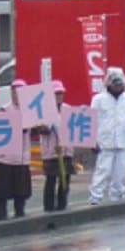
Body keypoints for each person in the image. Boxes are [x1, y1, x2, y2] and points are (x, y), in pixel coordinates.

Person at [90, 67, 125, 206]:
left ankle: (118, 197)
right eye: (115, 84)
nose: (118, 87)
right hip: (105, 141)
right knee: (102, 171)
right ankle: (95, 198)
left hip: (124, 140)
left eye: (120, 84)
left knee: (121, 172)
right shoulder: (99, 99)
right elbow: (93, 121)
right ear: (109, 84)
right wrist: (93, 141)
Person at [0, 79, 32, 221]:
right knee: (2, 192)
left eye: (20, 92)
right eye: (14, 92)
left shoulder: (32, 110)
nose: (17, 95)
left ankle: (20, 213)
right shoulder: (3, 109)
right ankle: (1, 215)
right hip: (5, 157)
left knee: (21, 192)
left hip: (22, 157)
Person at [38, 80, 73, 212]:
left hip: (66, 151)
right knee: (51, 180)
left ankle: (62, 205)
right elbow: (40, 129)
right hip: (51, 151)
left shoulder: (68, 109)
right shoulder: (44, 111)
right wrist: (45, 127)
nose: (59, 96)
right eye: (56, 93)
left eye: (61, 93)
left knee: (65, 179)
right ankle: (49, 207)